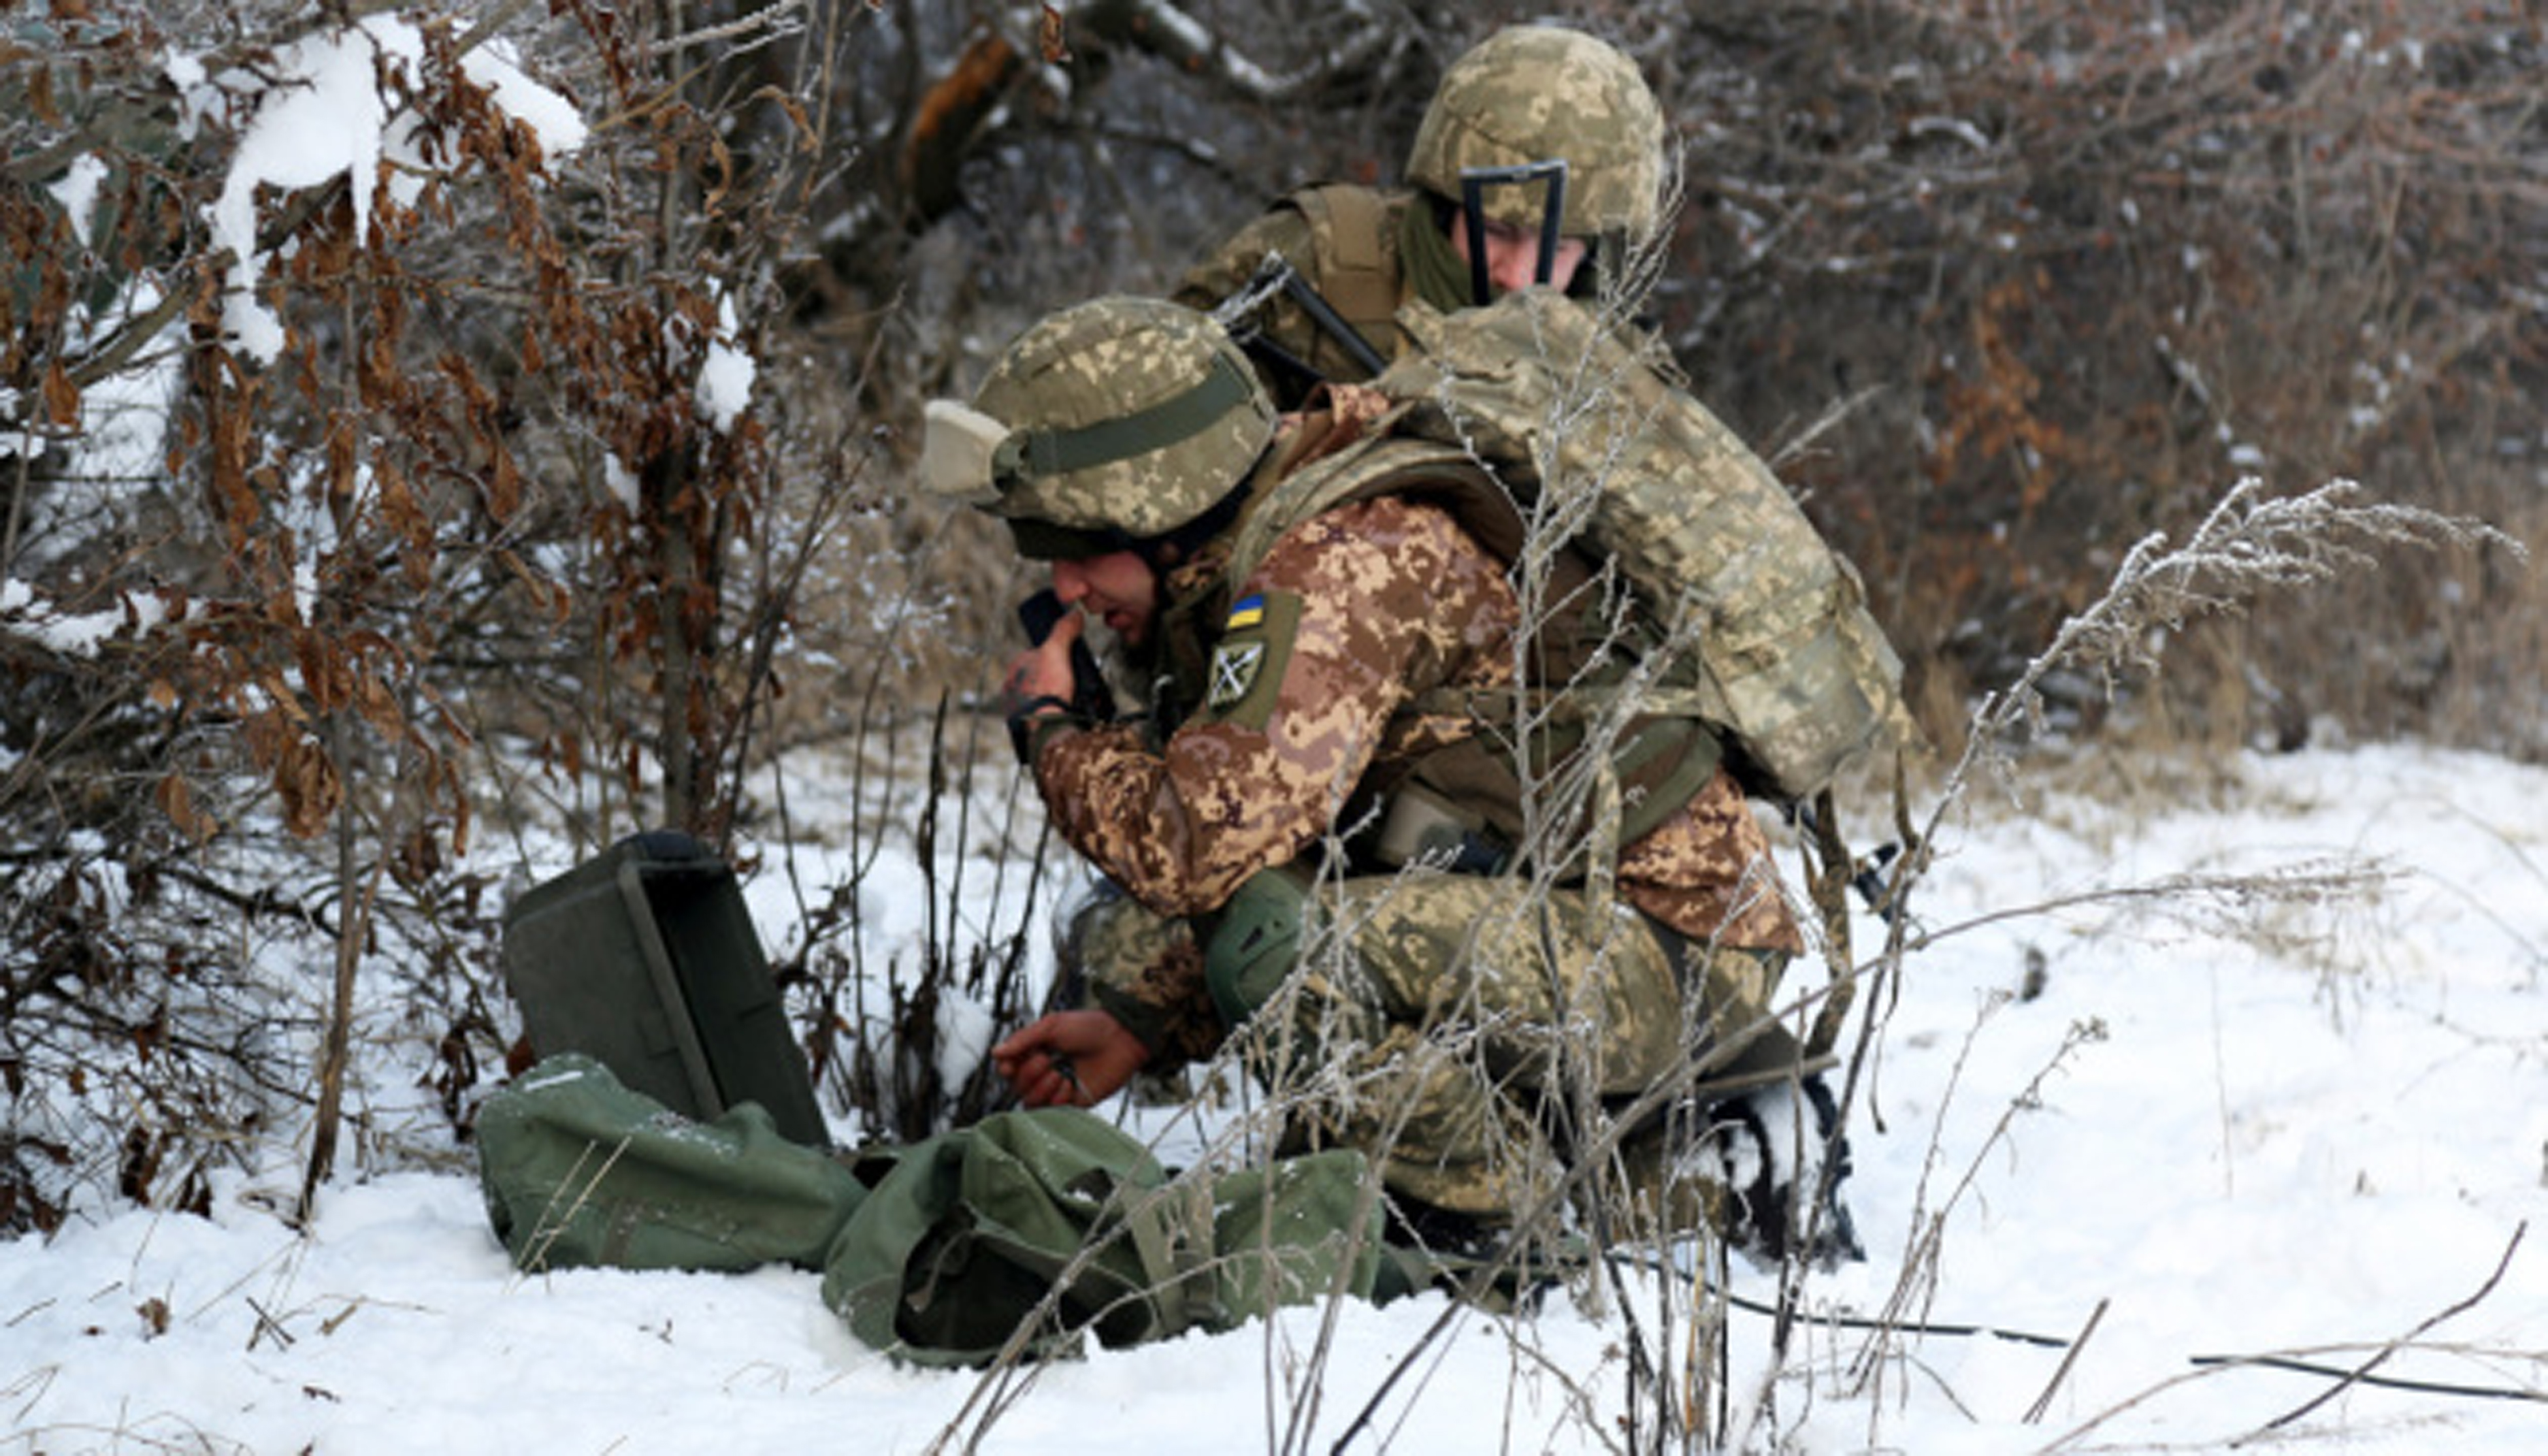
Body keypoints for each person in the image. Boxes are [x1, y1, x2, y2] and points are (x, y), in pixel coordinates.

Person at [918, 295, 1862, 1267]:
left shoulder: (1339, 565)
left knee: (1286, 951)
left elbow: (1195, 848)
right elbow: (1273, 848)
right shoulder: (1269, 536)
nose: (1065, 589)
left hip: (1668, 947)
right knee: (1152, 933)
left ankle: (1491, 1221)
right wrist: (1141, 1020)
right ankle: (1615, 1146)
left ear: (1157, 505)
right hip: (1554, 910)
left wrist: (1058, 733)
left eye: (1076, 548)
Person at [1173, 24, 1667, 408]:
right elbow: (1149, 412)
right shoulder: (1318, 260)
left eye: (1556, 247)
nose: (1517, 275)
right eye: (1497, 231)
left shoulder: (1615, 365)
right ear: (1446, 201)